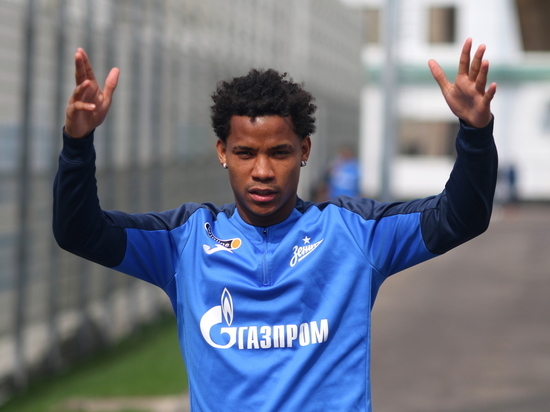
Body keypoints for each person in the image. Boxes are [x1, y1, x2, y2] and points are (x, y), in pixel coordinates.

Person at [53, 38, 497, 411]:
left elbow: (460, 217)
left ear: (304, 150)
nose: (262, 171)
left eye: (280, 153)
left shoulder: (352, 233)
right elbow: (79, 232)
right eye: (246, 153)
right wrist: (77, 144)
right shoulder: (183, 242)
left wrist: (475, 133)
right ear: (223, 152)